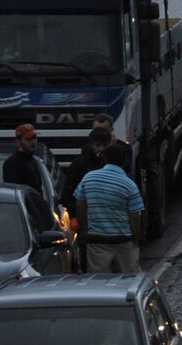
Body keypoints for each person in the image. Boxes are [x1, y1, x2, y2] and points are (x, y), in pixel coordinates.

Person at [75, 140, 145, 274]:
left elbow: (79, 205)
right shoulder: (129, 185)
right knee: (127, 281)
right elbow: (135, 218)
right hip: (122, 241)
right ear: (124, 161)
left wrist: (84, 231)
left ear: (105, 158)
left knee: (99, 284)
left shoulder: (89, 178)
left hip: (97, 240)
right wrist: (135, 241)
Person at [59, 117, 116, 208]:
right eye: (98, 145)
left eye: (104, 145)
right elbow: (69, 191)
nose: (101, 148)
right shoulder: (79, 164)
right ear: (91, 145)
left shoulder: (113, 163)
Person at [2, 124, 48, 197]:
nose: (33, 142)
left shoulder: (33, 160)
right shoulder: (12, 163)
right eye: (28, 139)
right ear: (18, 141)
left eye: (34, 138)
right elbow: (11, 192)